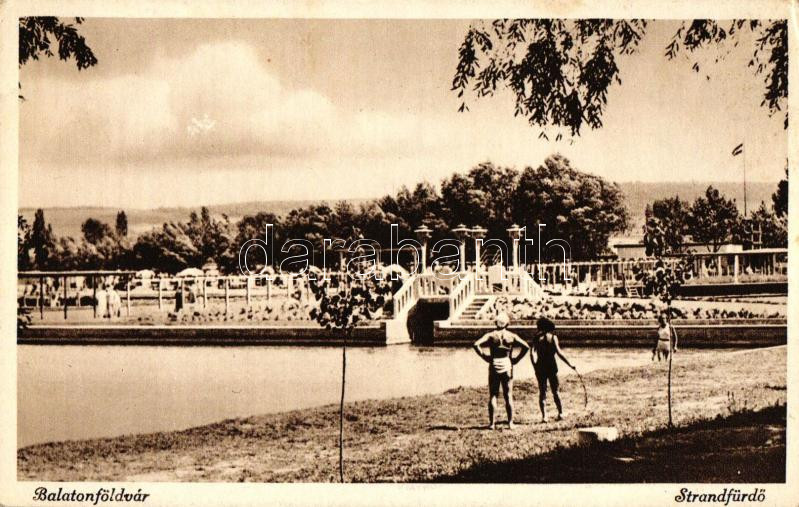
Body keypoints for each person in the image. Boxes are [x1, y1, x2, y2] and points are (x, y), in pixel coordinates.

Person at [472, 312, 530, 429]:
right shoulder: (512, 336)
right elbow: (526, 346)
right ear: (507, 324)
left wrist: (485, 356)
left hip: (494, 363)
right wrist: (517, 359)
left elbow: (476, 344)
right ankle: (510, 423)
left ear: (496, 323)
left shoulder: (490, 335)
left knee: (493, 395)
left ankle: (492, 424)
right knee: (508, 395)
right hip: (507, 364)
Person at [531, 317, 575, 422]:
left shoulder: (536, 338)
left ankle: (544, 416)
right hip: (551, 365)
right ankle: (560, 413)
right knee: (555, 391)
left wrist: (535, 365)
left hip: (540, 366)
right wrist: (570, 364)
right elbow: (559, 353)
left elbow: (532, 353)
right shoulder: (553, 338)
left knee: (542, 392)